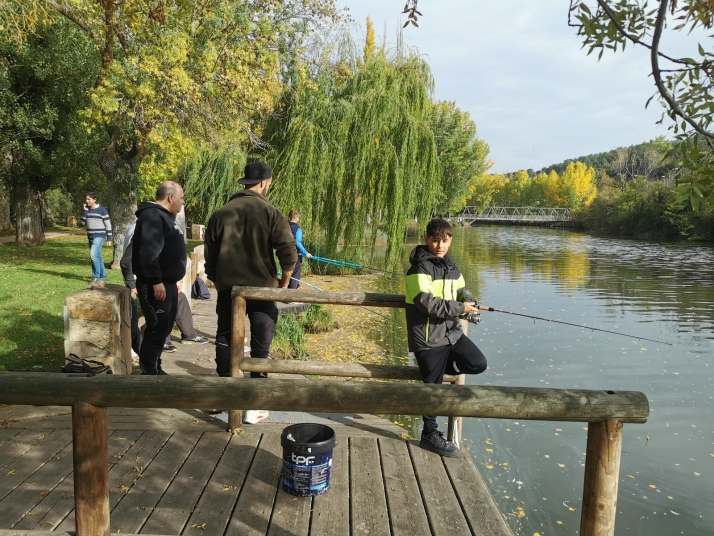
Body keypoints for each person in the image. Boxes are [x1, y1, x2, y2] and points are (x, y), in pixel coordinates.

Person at [205, 161, 297, 424]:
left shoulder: (220, 213)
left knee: (224, 337)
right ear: (264, 182)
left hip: (229, 290)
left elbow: (210, 254)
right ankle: (254, 402)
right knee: (261, 342)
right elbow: (287, 249)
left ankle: (225, 393)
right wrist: (285, 279)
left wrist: (216, 279)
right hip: (262, 289)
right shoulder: (271, 212)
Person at [405, 217, 487, 457]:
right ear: (426, 240)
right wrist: (461, 309)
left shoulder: (451, 266)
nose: (440, 245)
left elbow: (461, 288)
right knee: (432, 389)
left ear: (450, 240)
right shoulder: (418, 268)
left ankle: (439, 372)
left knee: (478, 363)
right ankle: (429, 434)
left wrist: (469, 298)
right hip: (429, 338)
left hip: (451, 334)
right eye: (435, 240)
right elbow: (425, 302)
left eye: (445, 241)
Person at [121, 223, 208, 357]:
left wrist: (175, 280)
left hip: (161, 280)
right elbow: (126, 262)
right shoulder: (143, 231)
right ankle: (162, 340)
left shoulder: (159, 230)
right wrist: (132, 284)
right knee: (161, 302)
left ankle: (189, 334)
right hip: (145, 282)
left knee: (180, 298)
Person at [132, 181, 187, 375]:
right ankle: (148, 372)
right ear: (170, 197)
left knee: (163, 329)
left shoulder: (165, 217)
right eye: (181, 198)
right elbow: (149, 253)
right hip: (155, 283)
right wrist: (157, 281)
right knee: (157, 327)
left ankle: (155, 366)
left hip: (167, 282)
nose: (183, 202)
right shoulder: (152, 216)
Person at [80, 192, 112, 289]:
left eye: (89, 199)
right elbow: (82, 223)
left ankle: (96, 277)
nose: (87, 201)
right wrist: (84, 211)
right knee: (97, 256)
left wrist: (109, 238)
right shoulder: (87, 211)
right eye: (86, 199)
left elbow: (108, 225)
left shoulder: (102, 210)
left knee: (93, 254)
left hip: (100, 235)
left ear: (95, 199)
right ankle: (104, 276)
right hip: (90, 236)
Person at [287, 210, 312, 289]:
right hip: (296, 255)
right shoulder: (298, 229)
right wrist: (306, 253)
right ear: (297, 218)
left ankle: (288, 291)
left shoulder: (284, 226)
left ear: (289, 217)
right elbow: (297, 242)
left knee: (287, 273)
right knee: (295, 275)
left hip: (284, 254)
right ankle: (292, 297)